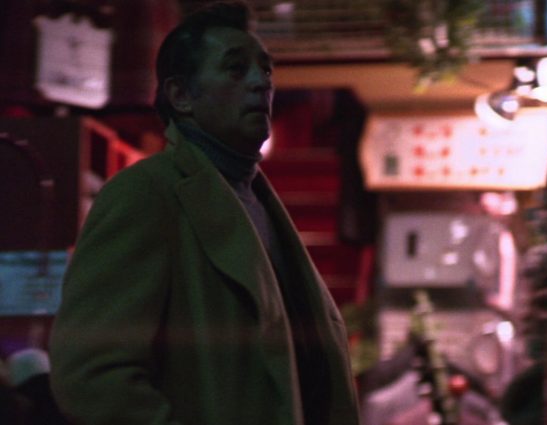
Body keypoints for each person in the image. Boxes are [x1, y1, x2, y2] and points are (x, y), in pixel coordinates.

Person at [48, 2, 361, 424]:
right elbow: (91, 376)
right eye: (235, 69)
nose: (261, 83)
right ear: (181, 96)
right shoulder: (147, 193)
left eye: (265, 70)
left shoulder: (254, 198)